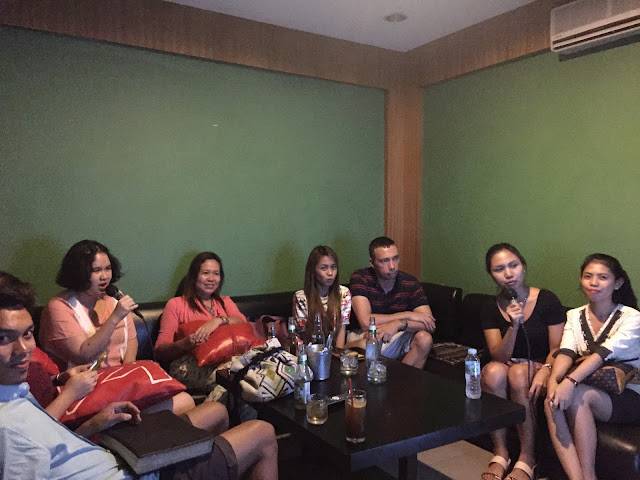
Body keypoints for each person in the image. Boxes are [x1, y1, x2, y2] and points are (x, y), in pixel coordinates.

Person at [0, 271, 278, 480]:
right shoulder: (9, 428)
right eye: (4, 338)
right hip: (129, 469)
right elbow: (93, 353)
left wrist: (94, 422)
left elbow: (53, 441)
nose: (23, 350)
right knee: (262, 431)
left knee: (216, 409)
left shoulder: (16, 392)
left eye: (28, 334)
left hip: (111, 453)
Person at [39, 240, 194, 414]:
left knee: (184, 400)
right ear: (79, 273)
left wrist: (131, 384)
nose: (104, 276)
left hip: (119, 386)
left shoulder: (114, 302)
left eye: (108, 268)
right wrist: (115, 317)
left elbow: (130, 350)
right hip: (82, 392)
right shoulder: (59, 307)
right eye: (96, 270)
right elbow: (84, 354)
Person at [545, 254, 640, 480]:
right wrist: (553, 382)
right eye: (588, 276)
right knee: (552, 401)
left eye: (603, 277)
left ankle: (588, 476)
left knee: (577, 396)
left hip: (630, 394)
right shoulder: (574, 315)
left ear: (617, 283)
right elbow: (566, 351)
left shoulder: (632, 317)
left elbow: (603, 354)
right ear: (581, 279)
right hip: (594, 387)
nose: (594, 282)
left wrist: (569, 382)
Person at [480, 244, 565, 480]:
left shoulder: (547, 300)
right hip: (507, 364)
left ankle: (527, 457)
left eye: (513, 265)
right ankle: (500, 453)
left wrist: (546, 369)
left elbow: (558, 348)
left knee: (517, 373)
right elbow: (499, 355)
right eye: (499, 269)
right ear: (491, 274)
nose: (508, 274)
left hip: (541, 366)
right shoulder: (489, 306)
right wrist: (514, 325)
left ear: (523, 267)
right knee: (493, 372)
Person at [155, 252, 247, 394]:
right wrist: (185, 344)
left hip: (227, 360)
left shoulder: (224, 302)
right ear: (194, 276)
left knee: (244, 379)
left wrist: (218, 321)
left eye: (216, 274)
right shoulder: (176, 304)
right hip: (189, 365)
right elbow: (160, 351)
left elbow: (242, 322)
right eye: (205, 273)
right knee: (236, 379)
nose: (211, 278)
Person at [349, 236, 435, 368]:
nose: (392, 266)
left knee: (425, 339)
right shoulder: (361, 278)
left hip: (396, 334)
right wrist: (407, 315)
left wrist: (399, 324)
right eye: (384, 261)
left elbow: (429, 324)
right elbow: (366, 322)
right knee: (369, 344)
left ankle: (403, 380)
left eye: (395, 258)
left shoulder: (410, 282)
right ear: (372, 262)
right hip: (366, 335)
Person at [293, 246, 351, 348]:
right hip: (308, 349)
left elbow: (341, 330)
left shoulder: (344, 293)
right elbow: (304, 335)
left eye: (333, 267)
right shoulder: (301, 297)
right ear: (313, 270)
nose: (330, 273)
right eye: (323, 268)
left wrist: (338, 353)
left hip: (333, 349)